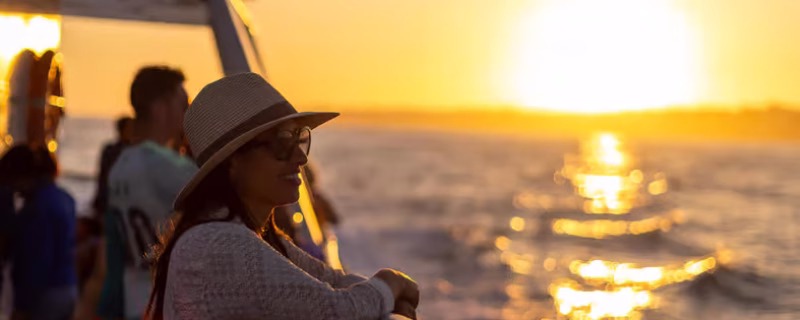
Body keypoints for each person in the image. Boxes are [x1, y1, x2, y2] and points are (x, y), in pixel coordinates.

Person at [146, 73, 419, 319]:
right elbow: (337, 311)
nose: (300, 157)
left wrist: (386, 296)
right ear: (232, 161)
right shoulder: (218, 243)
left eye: (300, 139)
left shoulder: (252, 237)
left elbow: (331, 280)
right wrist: (390, 282)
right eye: (282, 143)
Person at [74, 66, 196, 320]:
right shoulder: (170, 168)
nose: (188, 114)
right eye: (184, 105)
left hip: (135, 303)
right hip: (170, 303)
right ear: (161, 108)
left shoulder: (120, 167)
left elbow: (111, 253)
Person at [0, 145, 77, 319]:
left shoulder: (37, 208)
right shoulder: (65, 198)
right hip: (68, 287)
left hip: (45, 295)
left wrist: (22, 306)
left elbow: (37, 262)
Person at [91, 116, 135, 218]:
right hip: (113, 202)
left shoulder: (133, 150)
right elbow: (103, 178)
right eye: (130, 128)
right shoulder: (112, 150)